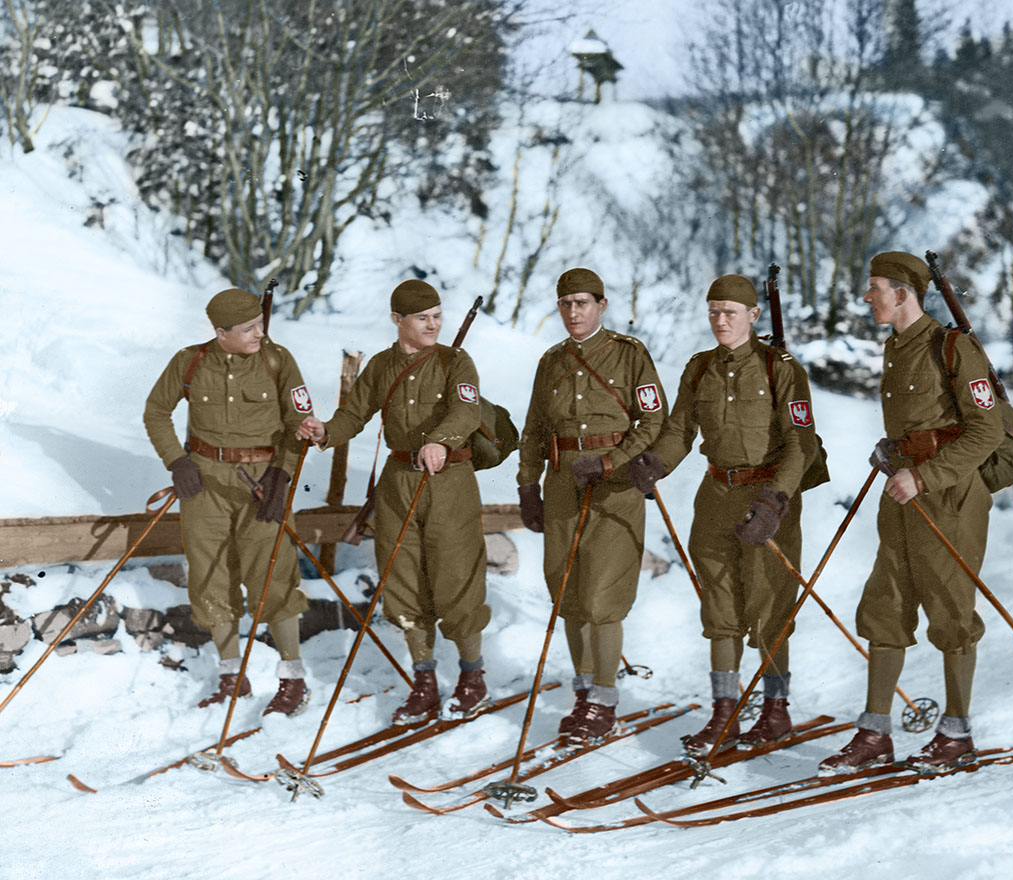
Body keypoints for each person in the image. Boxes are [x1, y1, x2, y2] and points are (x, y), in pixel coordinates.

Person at [819, 251, 1004, 773]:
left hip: (949, 498)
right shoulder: (895, 347)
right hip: (900, 493)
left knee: (951, 612)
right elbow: (921, 423)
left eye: (875, 287)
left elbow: (986, 431)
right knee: (885, 605)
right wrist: (894, 450)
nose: (867, 297)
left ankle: (957, 734)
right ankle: (874, 733)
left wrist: (923, 475)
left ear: (903, 293)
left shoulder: (953, 347)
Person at [626, 275, 822, 754]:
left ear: (753, 316)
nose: (720, 320)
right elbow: (679, 430)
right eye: (713, 311)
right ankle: (724, 713)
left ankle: (775, 711)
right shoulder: (699, 368)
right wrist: (657, 463)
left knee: (771, 605)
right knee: (719, 608)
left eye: (730, 312)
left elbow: (801, 443)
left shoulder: (780, 369)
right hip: (715, 495)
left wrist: (775, 501)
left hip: (767, 497)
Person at [297, 280, 491, 725]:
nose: (433, 325)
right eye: (423, 318)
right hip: (399, 481)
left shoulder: (455, 361)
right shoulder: (382, 365)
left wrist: (440, 440)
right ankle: (424, 682)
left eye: (437, 316)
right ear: (397, 320)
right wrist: (325, 431)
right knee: (402, 582)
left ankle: (472, 677)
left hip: (450, 481)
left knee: (456, 580)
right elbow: (354, 415)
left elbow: (467, 412)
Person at [143, 288, 312, 716]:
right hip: (204, 483)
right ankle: (232, 677)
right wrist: (178, 461)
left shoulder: (278, 361)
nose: (259, 333)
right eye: (248, 328)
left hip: (263, 482)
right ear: (221, 333)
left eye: (261, 324)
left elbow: (299, 423)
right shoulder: (190, 361)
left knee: (272, 575)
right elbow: (156, 411)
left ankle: (293, 679)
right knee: (209, 577)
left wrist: (282, 474)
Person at [516, 267, 667, 744]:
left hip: (613, 487)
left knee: (602, 598)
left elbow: (653, 421)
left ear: (601, 306)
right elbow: (534, 430)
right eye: (565, 303)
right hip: (563, 483)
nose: (573, 311)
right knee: (569, 593)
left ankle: (604, 701)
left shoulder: (629, 354)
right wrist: (528, 486)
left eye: (582, 302)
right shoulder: (551, 361)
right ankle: (583, 695)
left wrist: (611, 462)